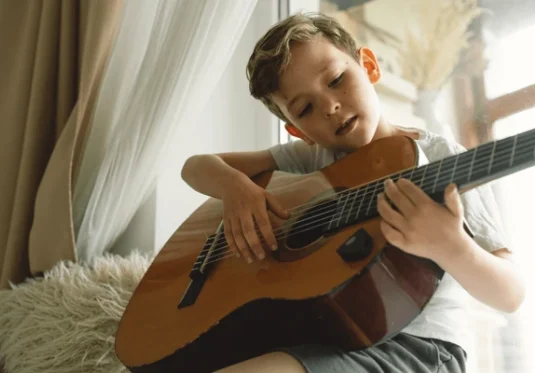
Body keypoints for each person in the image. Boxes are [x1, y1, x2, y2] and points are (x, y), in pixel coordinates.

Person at [180, 12, 525, 373]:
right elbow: (195, 166)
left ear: (369, 67)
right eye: (306, 108)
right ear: (299, 131)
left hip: (422, 351)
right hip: (331, 338)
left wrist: (451, 247)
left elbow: (510, 294)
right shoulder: (316, 159)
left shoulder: (443, 160)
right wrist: (235, 189)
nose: (329, 106)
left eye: (335, 79)